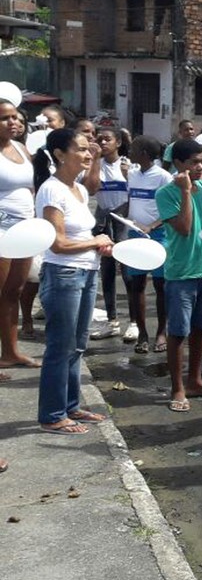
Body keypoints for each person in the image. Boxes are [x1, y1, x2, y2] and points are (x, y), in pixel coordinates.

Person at [34, 128, 114, 434]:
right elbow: (57, 244)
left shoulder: (78, 189)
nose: (88, 154)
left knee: (77, 345)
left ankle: (70, 405)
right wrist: (96, 243)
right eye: (81, 149)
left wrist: (98, 244)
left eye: (89, 149)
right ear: (59, 155)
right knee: (60, 345)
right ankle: (52, 415)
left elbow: (81, 237)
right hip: (63, 274)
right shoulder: (51, 190)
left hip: (86, 271)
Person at [156, 138, 202, 413]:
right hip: (181, 272)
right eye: (194, 162)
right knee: (178, 332)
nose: (200, 166)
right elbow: (185, 227)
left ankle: (195, 380)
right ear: (179, 164)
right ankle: (178, 387)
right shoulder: (166, 193)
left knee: (201, 329)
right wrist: (186, 192)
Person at [124, 136, 171, 354]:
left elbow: (172, 208)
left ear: (143, 153)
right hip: (135, 234)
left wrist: (152, 226)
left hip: (159, 234)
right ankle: (142, 333)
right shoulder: (132, 174)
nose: (129, 152)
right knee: (137, 284)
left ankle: (162, 331)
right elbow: (131, 202)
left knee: (161, 286)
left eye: (133, 149)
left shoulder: (163, 177)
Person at [0, 102, 37, 371]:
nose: (13, 122)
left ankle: (11, 352)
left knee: (15, 291)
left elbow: (30, 187)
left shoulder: (22, 149)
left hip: (24, 230)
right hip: (1, 229)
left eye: (15, 117)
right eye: (4, 119)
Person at [89, 127, 130, 342]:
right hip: (103, 221)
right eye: (100, 139)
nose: (103, 143)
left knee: (128, 272)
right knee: (106, 272)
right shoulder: (95, 165)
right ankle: (112, 320)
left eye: (108, 139)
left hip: (124, 222)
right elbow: (91, 189)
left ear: (118, 142)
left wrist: (128, 176)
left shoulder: (129, 165)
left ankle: (133, 322)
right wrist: (95, 161)